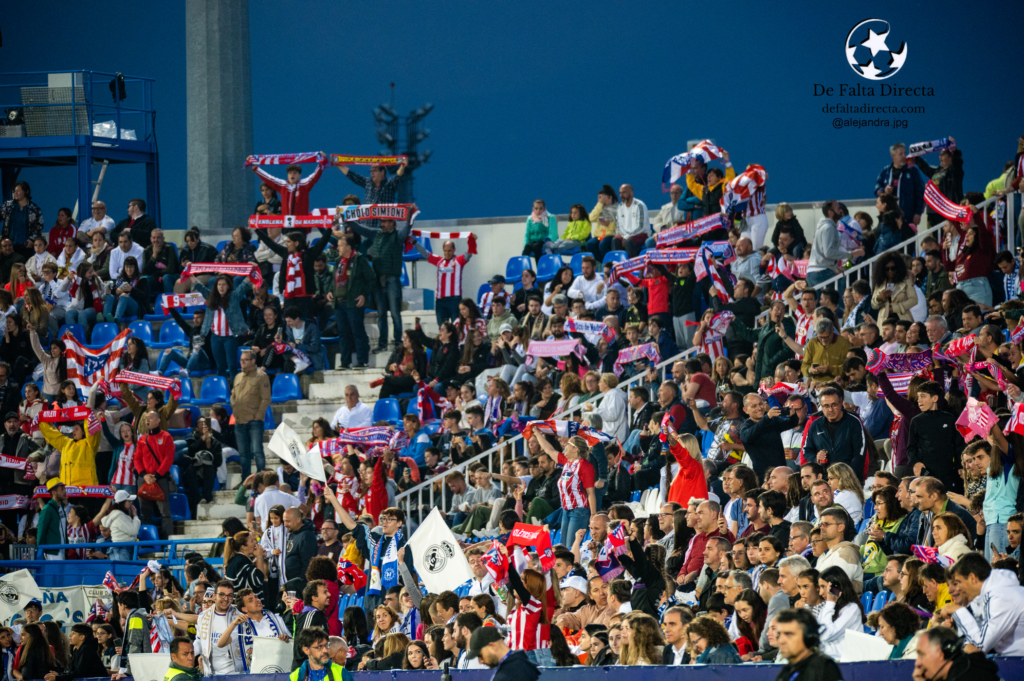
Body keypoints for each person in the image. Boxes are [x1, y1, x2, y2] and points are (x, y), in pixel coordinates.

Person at [341, 210, 416, 353]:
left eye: (385, 222)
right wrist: (347, 218)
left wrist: (410, 214)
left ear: (393, 223)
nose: (382, 224)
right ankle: (382, 344)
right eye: (381, 221)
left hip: (392, 280)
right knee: (381, 314)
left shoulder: (398, 236)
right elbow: (359, 228)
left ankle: (398, 343)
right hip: (377, 281)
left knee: (394, 313)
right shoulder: (376, 234)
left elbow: (407, 227)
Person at [331, 234, 375, 368]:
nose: (337, 247)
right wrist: (329, 291)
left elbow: (372, 279)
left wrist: (363, 295)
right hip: (339, 303)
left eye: (340, 245)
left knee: (357, 331)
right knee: (343, 334)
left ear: (349, 247)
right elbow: (334, 280)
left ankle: (362, 360)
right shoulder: (338, 260)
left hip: (353, 303)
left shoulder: (360, 260)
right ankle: (345, 362)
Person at [801, 387, 867, 475]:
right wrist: (815, 457)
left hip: (849, 479)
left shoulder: (853, 422)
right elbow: (806, 450)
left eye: (834, 405)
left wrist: (848, 475)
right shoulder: (815, 425)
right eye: (826, 406)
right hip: (825, 479)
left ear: (841, 404)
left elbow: (859, 453)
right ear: (821, 406)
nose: (830, 409)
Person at [230, 350, 272, 479]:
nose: (242, 362)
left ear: (253, 361)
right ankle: (246, 481)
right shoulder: (238, 376)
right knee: (243, 454)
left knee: (257, 451)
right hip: (239, 420)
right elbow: (233, 395)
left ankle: (261, 480)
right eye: (241, 360)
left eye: (245, 360)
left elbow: (266, 398)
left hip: (254, 420)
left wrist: (258, 415)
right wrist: (234, 408)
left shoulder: (261, 376)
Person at [806, 200, 864, 290]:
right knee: (834, 301)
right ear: (830, 212)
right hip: (821, 273)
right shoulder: (828, 228)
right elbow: (829, 252)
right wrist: (852, 254)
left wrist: (835, 268)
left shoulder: (826, 226)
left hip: (817, 272)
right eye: (838, 208)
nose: (841, 210)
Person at [135, 410, 175, 539]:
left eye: (151, 418)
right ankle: (149, 541)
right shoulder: (142, 439)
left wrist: (156, 476)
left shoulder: (166, 437)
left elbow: (168, 459)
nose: (147, 420)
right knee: (145, 513)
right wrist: (144, 475)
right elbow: (137, 458)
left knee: (165, 513)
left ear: (158, 421)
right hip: (144, 479)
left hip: (160, 479)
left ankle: (168, 542)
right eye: (146, 418)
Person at [773, 608, 843, 681]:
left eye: (789, 634)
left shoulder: (823, 668)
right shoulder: (786, 672)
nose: (781, 641)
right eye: (779, 635)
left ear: (808, 637)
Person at [913, 626, 1002, 681]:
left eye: (922, 655)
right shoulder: (963, 669)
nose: (917, 663)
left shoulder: (968, 677)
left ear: (940, 653)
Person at [286, 582, 333, 670]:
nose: (329, 594)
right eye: (325, 592)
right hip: (306, 673)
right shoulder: (310, 615)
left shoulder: (318, 615)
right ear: (314, 598)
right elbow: (302, 649)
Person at [466, 626, 539, 681]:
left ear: (492, 646)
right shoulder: (520, 664)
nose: (480, 661)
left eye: (480, 655)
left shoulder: (510, 673)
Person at [35, 478, 69, 560]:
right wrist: (39, 551)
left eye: (64, 489)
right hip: (52, 553)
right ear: (54, 492)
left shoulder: (61, 508)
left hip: (62, 551)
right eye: (62, 489)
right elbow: (41, 531)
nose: (65, 492)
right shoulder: (47, 509)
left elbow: (64, 530)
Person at [141, 228, 180, 296]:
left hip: (170, 277)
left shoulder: (169, 248)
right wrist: (154, 255)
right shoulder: (146, 250)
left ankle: (169, 302)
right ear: (151, 239)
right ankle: (147, 305)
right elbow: (146, 271)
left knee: (166, 277)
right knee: (145, 280)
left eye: (158, 238)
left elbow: (171, 269)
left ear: (163, 239)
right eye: (154, 238)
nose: (156, 240)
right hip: (155, 278)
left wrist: (159, 275)